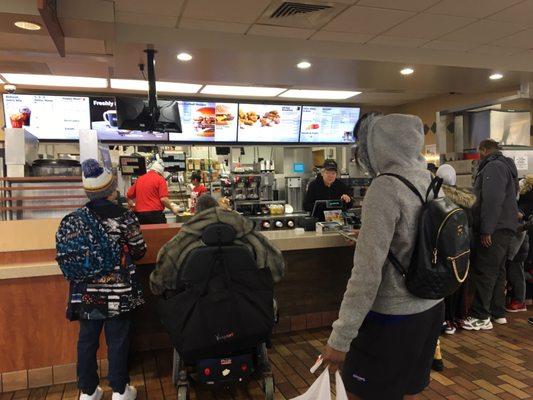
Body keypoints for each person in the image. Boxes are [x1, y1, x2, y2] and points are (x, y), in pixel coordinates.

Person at [321, 114, 444, 400]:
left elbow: (366, 273)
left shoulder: (385, 187)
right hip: (430, 307)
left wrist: (340, 338)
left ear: (376, 146)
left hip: (392, 316)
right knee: (407, 390)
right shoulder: (428, 178)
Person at [58, 159, 147, 400]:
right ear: (110, 189)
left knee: (87, 340)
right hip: (118, 291)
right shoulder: (124, 216)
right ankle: (120, 391)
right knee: (117, 339)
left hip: (86, 291)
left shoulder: (76, 218)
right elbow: (139, 251)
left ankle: (88, 392)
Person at [150, 194, 285, 296]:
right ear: (218, 208)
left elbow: (158, 285)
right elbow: (276, 271)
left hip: (198, 318)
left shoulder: (181, 243)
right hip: (244, 311)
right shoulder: (249, 237)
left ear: (197, 214)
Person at [462, 139, 519, 331]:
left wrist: (487, 229)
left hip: (495, 228)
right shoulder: (507, 167)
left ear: (484, 150)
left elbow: (492, 201)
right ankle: (497, 312)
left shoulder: (493, 167)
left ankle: (480, 316)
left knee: (485, 271)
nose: (478, 156)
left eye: (479, 152)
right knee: (498, 271)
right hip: (505, 228)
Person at [436, 164, 477, 333]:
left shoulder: (436, 199)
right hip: (464, 248)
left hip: (443, 249)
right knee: (461, 281)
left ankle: (446, 319)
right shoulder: (466, 199)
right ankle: (460, 317)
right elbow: (471, 224)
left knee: (444, 284)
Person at [127, 156, 179, 224]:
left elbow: (129, 195)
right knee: (158, 234)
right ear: (160, 172)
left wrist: (131, 205)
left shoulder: (140, 179)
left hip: (140, 216)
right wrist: (172, 208)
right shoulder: (160, 179)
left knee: (144, 234)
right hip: (155, 216)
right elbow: (163, 199)